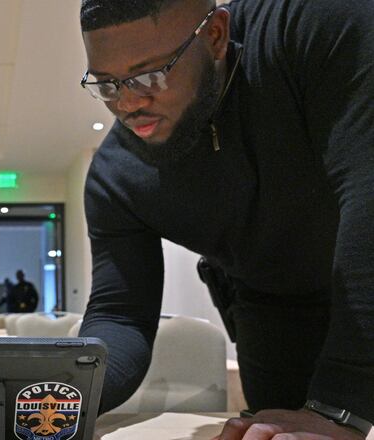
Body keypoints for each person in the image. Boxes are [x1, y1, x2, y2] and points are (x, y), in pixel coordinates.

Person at [78, 0, 373, 438]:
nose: (128, 103)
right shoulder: (117, 177)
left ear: (214, 35)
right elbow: (120, 316)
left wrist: (339, 407)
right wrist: (59, 393)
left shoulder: (312, 26)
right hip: (270, 309)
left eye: (149, 75)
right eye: (106, 84)